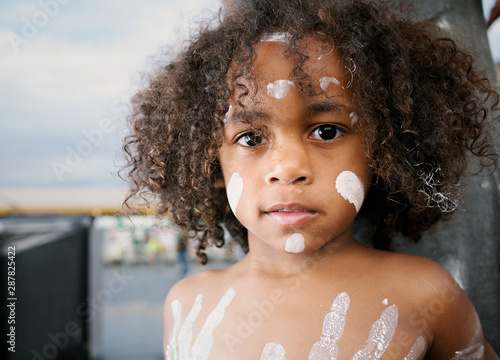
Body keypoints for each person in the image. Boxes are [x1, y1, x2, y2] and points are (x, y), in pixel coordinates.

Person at [122, 0, 500, 358]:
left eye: (327, 132)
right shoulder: (187, 304)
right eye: (251, 138)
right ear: (210, 165)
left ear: (382, 151)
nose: (287, 168)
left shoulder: (428, 296)